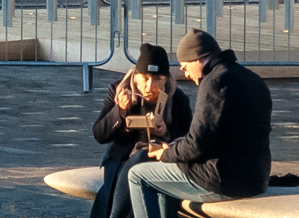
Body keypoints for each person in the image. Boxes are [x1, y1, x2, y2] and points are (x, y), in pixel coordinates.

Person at [124, 29, 272, 218]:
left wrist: (166, 153)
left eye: (184, 66)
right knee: (161, 180)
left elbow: (197, 144)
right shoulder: (252, 78)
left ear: (198, 59)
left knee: (138, 175)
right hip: (256, 178)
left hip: (222, 181)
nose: (185, 74)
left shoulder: (214, 82)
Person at [88, 42, 193, 218]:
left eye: (157, 79)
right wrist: (119, 112)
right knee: (138, 165)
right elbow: (99, 134)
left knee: (145, 159)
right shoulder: (119, 90)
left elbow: (189, 139)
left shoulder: (177, 98)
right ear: (136, 76)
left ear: (166, 79)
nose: (149, 86)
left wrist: (166, 134)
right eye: (145, 78)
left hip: (161, 163)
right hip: (122, 161)